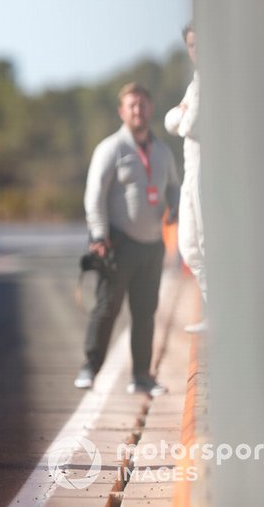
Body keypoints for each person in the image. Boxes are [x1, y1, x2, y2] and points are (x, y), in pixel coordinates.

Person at [74, 82, 180, 396]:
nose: (138, 110)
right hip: (119, 244)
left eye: (143, 104)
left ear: (151, 109)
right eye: (132, 105)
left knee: (146, 312)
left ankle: (142, 376)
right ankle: (90, 368)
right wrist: (98, 234)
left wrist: (173, 205)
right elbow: (95, 195)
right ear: (122, 111)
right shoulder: (111, 149)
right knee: (107, 308)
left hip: (152, 246)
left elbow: (174, 185)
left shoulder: (162, 151)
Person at [164, 22, 208, 333]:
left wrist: (181, 116)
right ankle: (214, 310)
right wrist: (181, 116)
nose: (196, 51)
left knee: (207, 243)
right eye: (191, 46)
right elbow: (174, 119)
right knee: (189, 245)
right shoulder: (195, 83)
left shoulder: (215, 78)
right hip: (191, 171)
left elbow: (188, 125)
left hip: (210, 169)